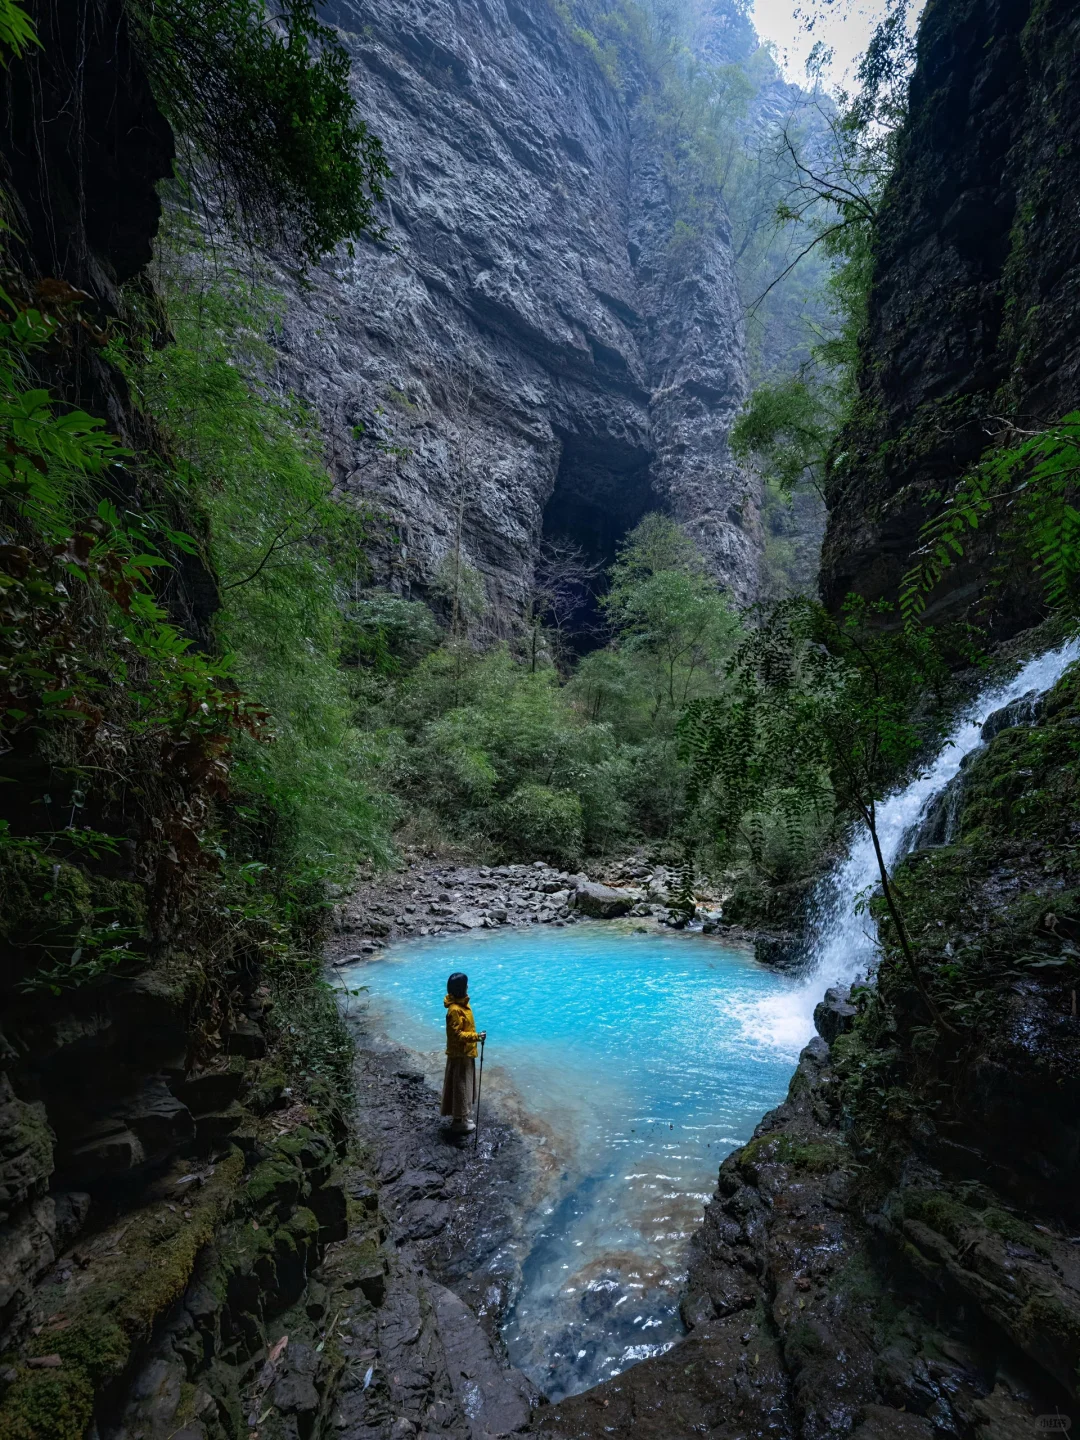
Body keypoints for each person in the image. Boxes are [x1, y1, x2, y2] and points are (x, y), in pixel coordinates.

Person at [441, 971, 486, 1135]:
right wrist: (476, 1037)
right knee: (460, 1087)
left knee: (464, 1085)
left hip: (466, 1052)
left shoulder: (462, 1005)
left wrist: (475, 1038)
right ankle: (458, 1121)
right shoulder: (454, 1010)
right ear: (461, 988)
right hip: (459, 1054)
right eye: (466, 984)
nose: (468, 986)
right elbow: (457, 1035)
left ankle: (462, 1117)